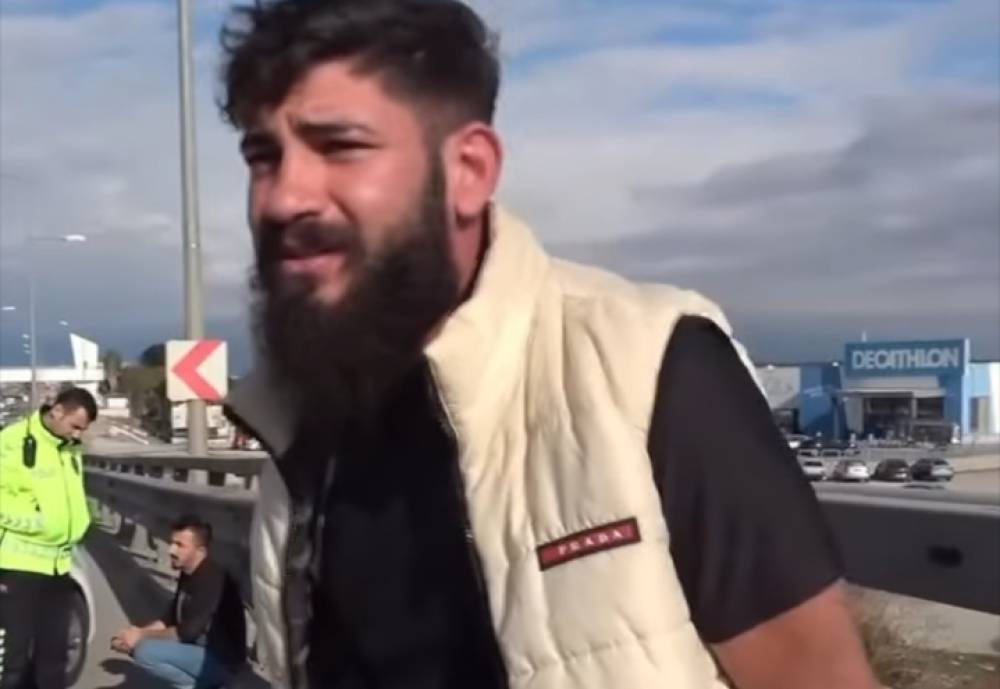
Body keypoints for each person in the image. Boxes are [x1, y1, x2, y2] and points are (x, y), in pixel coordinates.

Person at [219, 2, 879, 688]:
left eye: (340, 147)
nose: (283, 197)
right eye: (263, 157)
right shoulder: (300, 425)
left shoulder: (648, 365)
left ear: (470, 170)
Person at [0, 387, 97, 689]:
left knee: (54, 658)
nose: (78, 434)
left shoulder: (68, 448)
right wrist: (37, 522)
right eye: (75, 426)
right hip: (19, 566)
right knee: (15, 661)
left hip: (59, 566)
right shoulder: (12, 442)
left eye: (82, 429)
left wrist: (79, 522)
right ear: (57, 411)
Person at [111, 515, 247, 689]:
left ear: (200, 551)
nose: (171, 550)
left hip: (222, 661)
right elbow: (170, 617)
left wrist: (140, 637)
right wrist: (136, 632)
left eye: (180, 545)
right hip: (200, 650)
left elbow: (187, 633)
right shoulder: (188, 572)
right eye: (172, 543)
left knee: (144, 651)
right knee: (138, 646)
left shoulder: (212, 579)